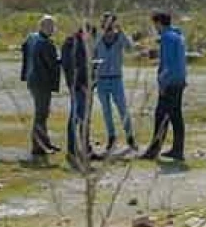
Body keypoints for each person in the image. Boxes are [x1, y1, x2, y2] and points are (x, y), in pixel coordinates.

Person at [139, 10, 187, 161]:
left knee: (161, 115)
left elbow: (167, 63)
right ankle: (177, 149)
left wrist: (162, 81)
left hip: (170, 82)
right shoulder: (178, 36)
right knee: (175, 116)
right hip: (179, 80)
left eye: (155, 24)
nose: (155, 28)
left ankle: (154, 150)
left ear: (159, 23)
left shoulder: (166, 38)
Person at [93, 12, 137, 152]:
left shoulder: (119, 38)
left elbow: (130, 48)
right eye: (106, 21)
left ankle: (130, 137)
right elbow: (91, 55)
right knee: (106, 111)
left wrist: (122, 32)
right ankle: (111, 137)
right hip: (101, 79)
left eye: (111, 22)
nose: (108, 25)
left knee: (123, 109)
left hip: (116, 78)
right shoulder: (98, 38)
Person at [20, 15, 61, 159]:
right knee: (41, 114)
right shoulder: (45, 43)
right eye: (50, 26)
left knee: (43, 113)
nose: (52, 29)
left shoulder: (32, 38)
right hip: (41, 82)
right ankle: (38, 146)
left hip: (33, 80)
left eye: (53, 26)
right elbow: (53, 63)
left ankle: (45, 143)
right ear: (42, 26)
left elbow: (24, 49)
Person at [60, 23, 101, 167]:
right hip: (78, 87)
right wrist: (80, 84)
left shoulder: (82, 44)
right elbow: (71, 68)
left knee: (85, 120)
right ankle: (72, 150)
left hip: (86, 86)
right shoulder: (71, 45)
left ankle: (85, 149)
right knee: (76, 119)